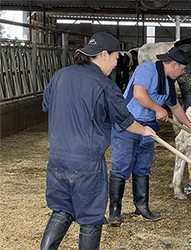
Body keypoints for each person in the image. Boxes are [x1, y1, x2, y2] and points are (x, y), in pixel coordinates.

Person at [40, 32, 157, 250]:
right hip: (87, 164)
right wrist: (145, 131)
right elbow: (125, 121)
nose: (116, 63)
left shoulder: (61, 75)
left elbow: (46, 105)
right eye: (115, 57)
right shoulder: (105, 85)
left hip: (57, 158)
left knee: (61, 209)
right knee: (91, 216)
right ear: (103, 54)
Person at [108, 47, 191, 226]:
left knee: (142, 168)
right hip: (128, 123)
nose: (182, 73)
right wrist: (158, 109)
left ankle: (141, 207)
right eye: (182, 69)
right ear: (174, 64)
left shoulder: (168, 83)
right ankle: (115, 210)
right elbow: (139, 94)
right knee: (122, 165)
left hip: (148, 127)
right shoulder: (147, 69)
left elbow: (176, 108)